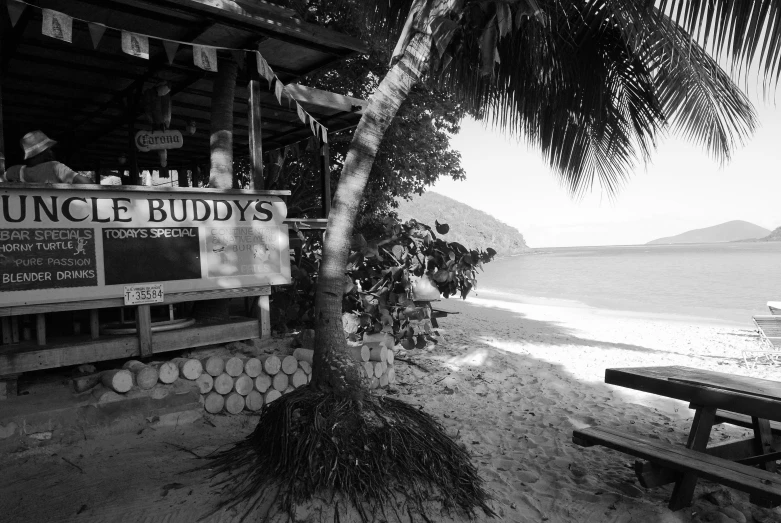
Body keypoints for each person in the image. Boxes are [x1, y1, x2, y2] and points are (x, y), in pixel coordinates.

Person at [0, 130, 92, 184]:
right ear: (43, 153)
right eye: (48, 149)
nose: (50, 152)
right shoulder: (55, 167)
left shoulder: (14, 171)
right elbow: (87, 183)